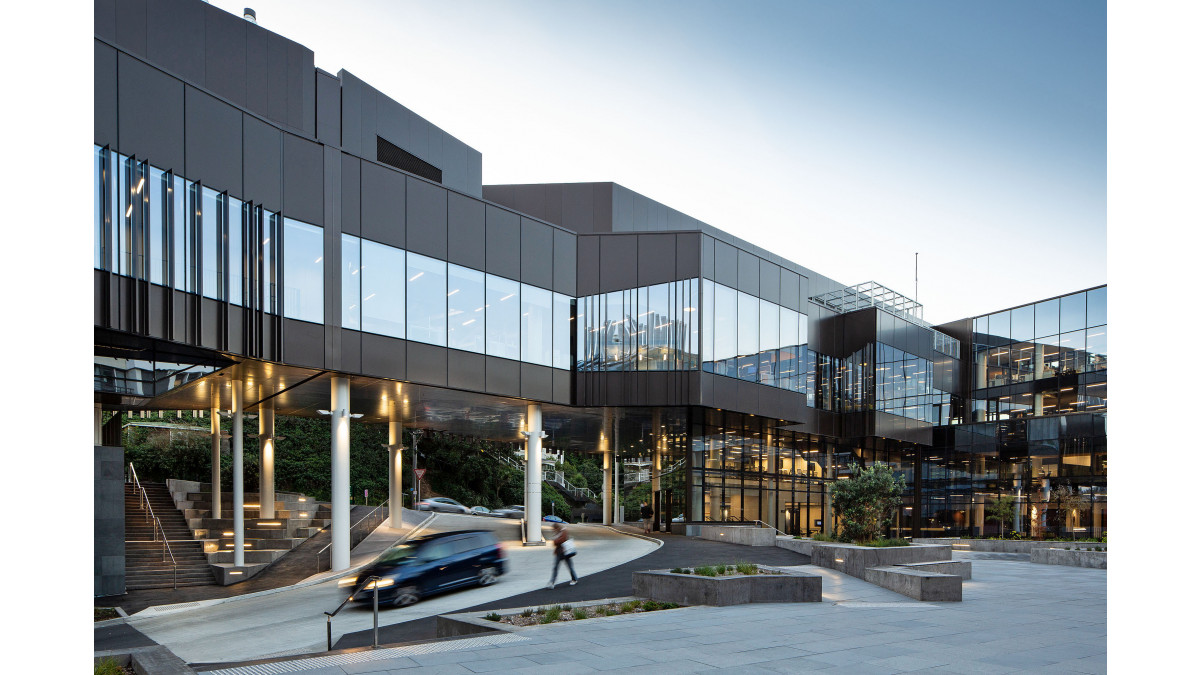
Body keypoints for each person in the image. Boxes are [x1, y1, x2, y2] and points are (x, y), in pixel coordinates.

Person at [546, 522, 577, 589]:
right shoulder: (557, 533)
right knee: (555, 567)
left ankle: (574, 579)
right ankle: (552, 582)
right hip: (559, 552)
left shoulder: (564, 531)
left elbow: (562, 540)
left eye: (554, 529)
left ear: (557, 528)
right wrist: (556, 541)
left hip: (565, 552)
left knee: (570, 567)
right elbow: (557, 542)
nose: (553, 530)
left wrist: (556, 541)